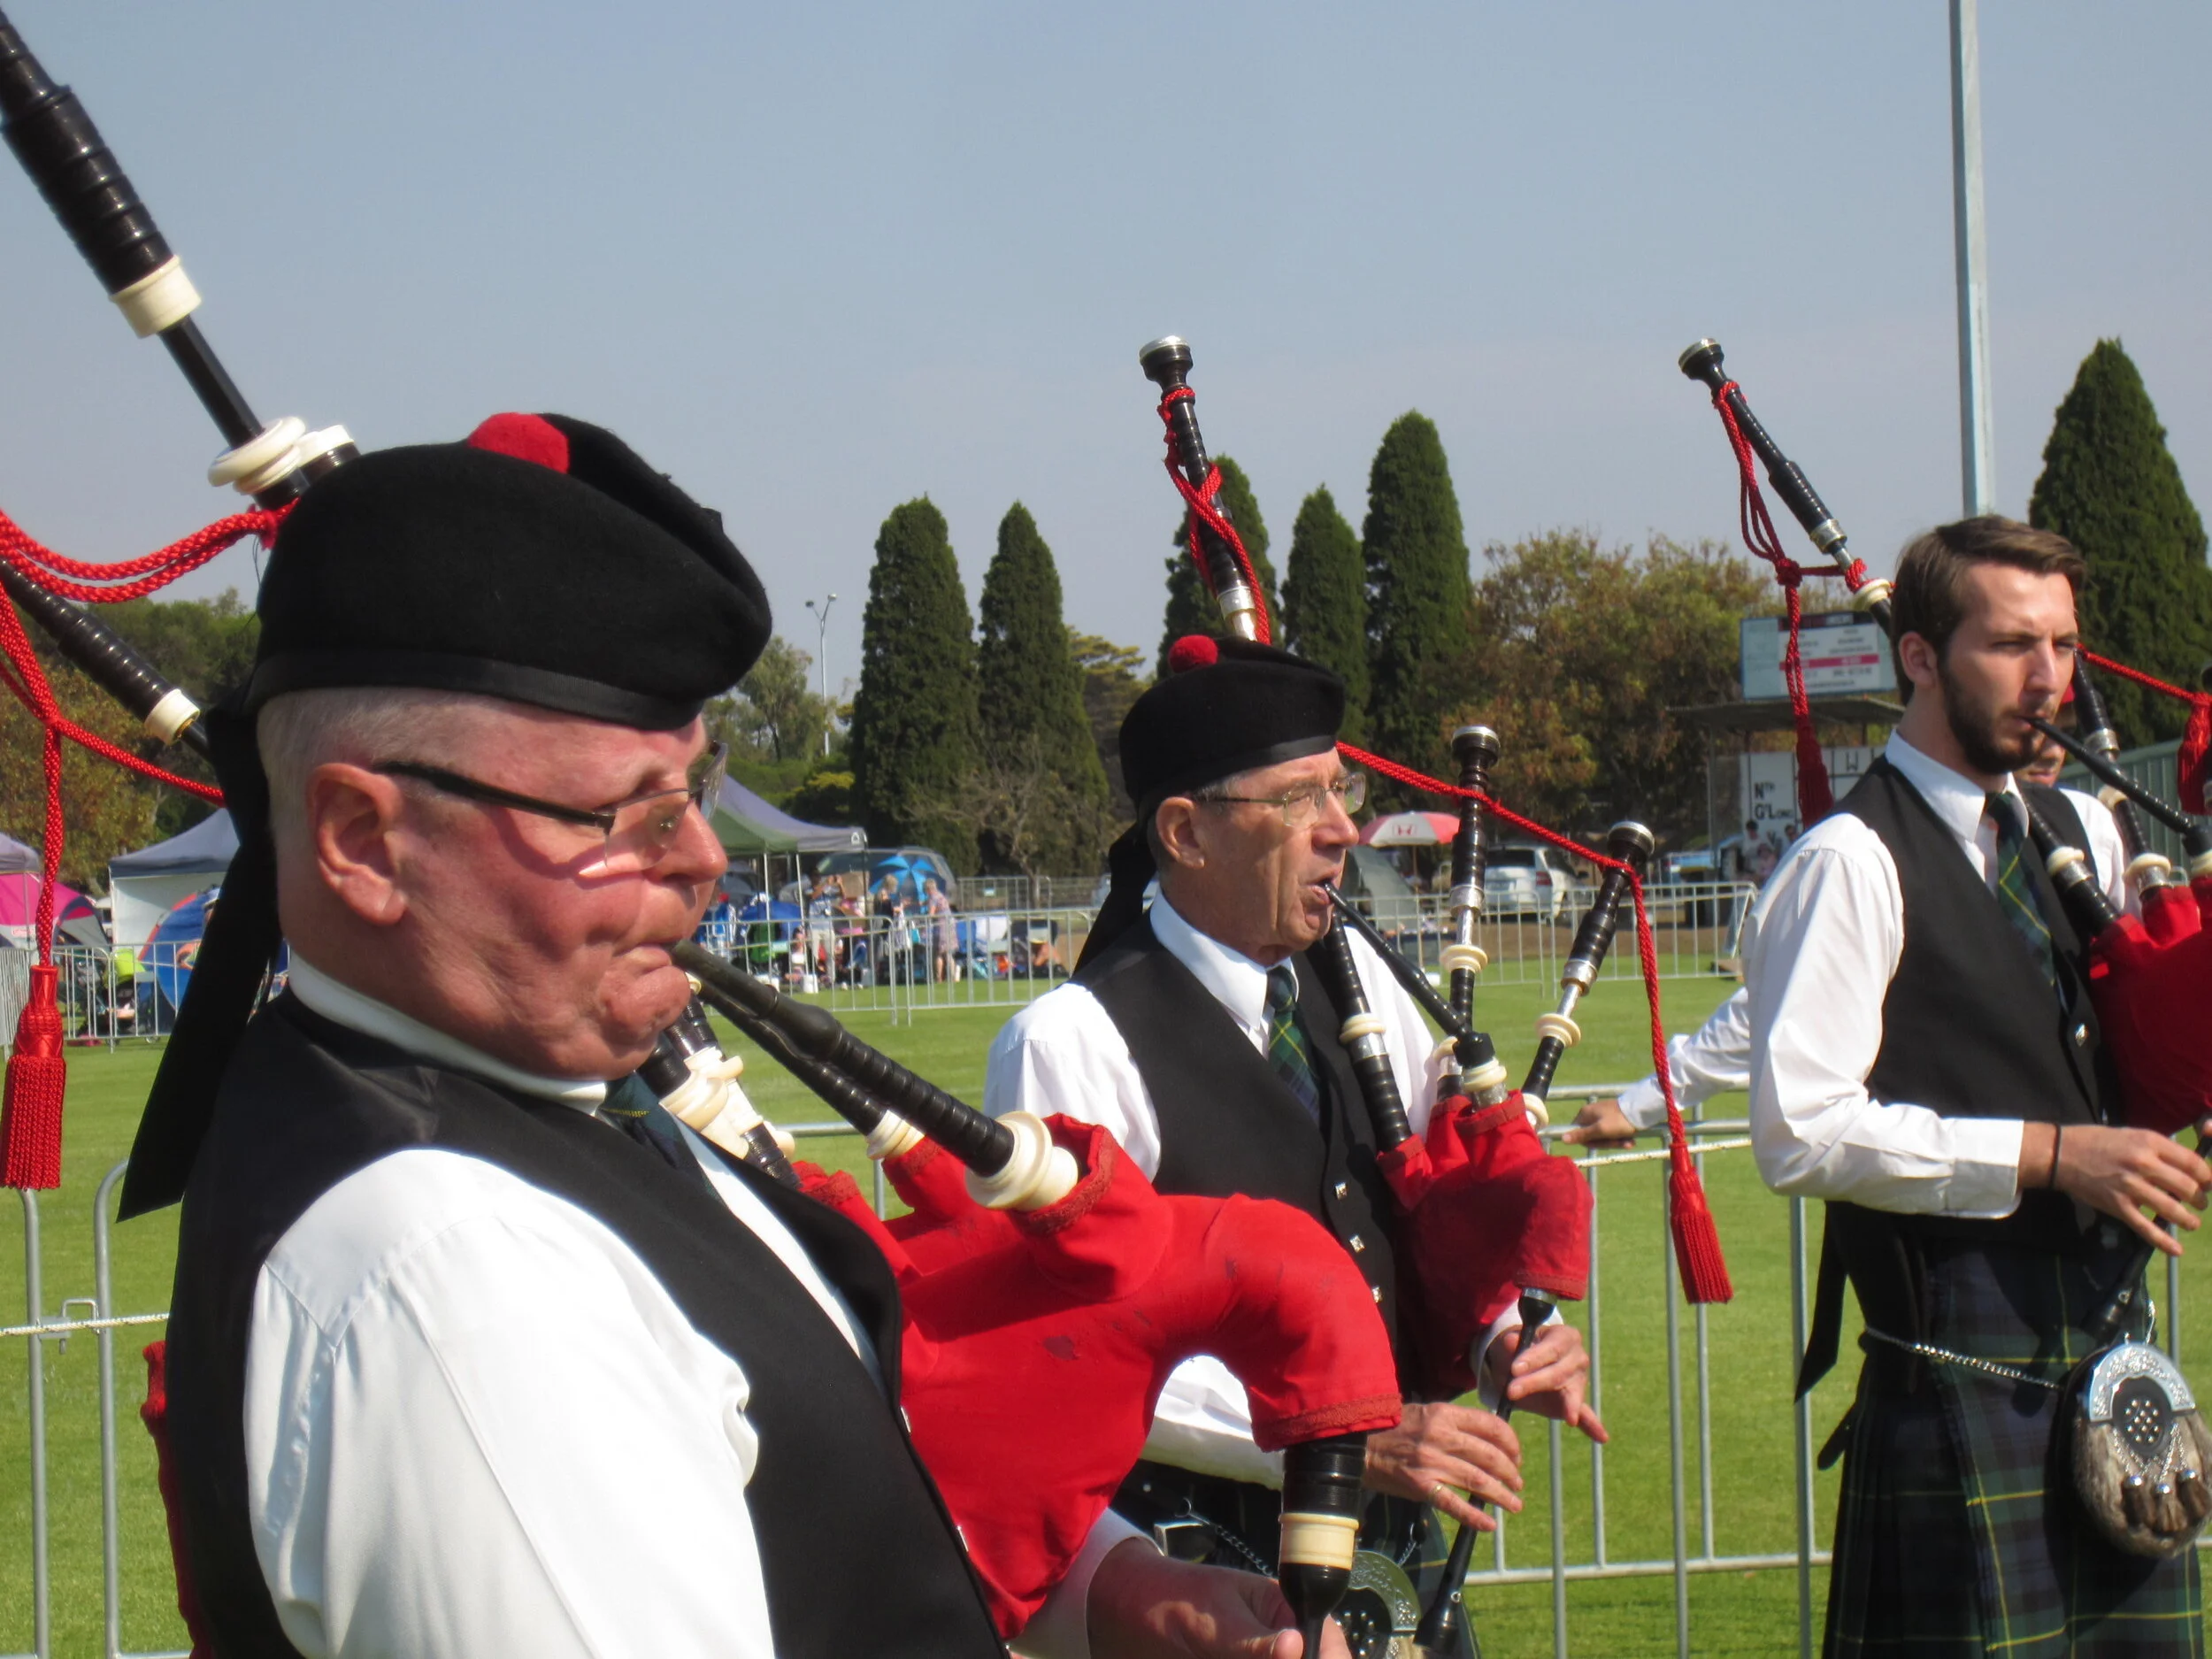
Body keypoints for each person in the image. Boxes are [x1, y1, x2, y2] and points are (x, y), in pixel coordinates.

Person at [130, 413, 1348, 1659]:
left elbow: (829, 1455)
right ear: (363, 840)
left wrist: (1117, 1596)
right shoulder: (465, 1277)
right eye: (627, 811)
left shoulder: (560, 1112)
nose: (707, 856)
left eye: (697, 792)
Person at [985, 634, 1604, 1636]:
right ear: (1185, 833)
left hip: (1392, 1562)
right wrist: (1344, 1433)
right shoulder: (1073, 1042)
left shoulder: (1359, 984)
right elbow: (1075, 1345)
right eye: (1298, 801)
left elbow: (1421, 1210)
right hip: (1205, 1571)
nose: (1344, 830)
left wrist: (1500, 1340)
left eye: (1342, 788)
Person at [1732, 518, 2208, 1653]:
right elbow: (1797, 1131)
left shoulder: (2077, 825)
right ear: (1919, 658)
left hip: (2106, 1370)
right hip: (1958, 1383)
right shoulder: (1847, 863)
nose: (2047, 679)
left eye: (2063, 645)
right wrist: (2049, 1155)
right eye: (2009, 645)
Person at [1566, 728, 2132, 1151]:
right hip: (1956, 1249)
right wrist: (1646, 1101)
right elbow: (1788, 1007)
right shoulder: (1862, 849)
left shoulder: (2090, 828)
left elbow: (2137, 995)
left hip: (2105, 1241)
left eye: (2061, 647)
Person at [925, 875, 958, 982]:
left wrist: (924, 917)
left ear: (928, 889)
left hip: (941, 927)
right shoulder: (940, 895)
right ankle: (952, 977)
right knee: (949, 953)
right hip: (950, 925)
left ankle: (939, 978)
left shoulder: (933, 898)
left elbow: (931, 913)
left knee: (939, 953)